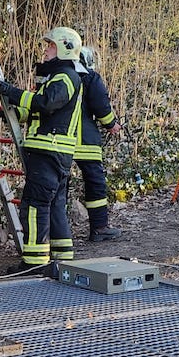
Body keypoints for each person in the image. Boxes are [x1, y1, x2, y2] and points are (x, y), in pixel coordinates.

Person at [0, 27, 85, 271]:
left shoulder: (65, 77)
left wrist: (12, 92)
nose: (46, 50)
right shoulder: (58, 78)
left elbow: (45, 104)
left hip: (48, 153)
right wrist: (5, 112)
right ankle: (62, 260)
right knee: (55, 205)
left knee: (35, 205)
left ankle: (34, 263)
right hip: (54, 153)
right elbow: (38, 112)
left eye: (51, 46)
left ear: (64, 49)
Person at [76, 46, 122, 241]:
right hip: (85, 141)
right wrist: (112, 124)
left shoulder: (57, 76)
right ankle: (99, 227)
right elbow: (101, 107)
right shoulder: (90, 78)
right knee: (95, 183)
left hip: (58, 141)